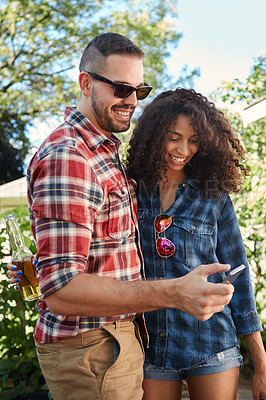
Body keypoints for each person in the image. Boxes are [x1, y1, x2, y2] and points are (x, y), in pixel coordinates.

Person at [6, 33, 234, 400]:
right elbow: (63, 289)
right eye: (120, 88)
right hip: (93, 349)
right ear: (85, 83)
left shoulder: (103, 151)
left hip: (110, 346)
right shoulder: (70, 156)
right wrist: (175, 292)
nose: (130, 100)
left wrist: (42, 266)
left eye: (138, 91)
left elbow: (87, 255)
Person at [125, 88, 266, 400]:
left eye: (193, 140)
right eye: (173, 137)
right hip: (152, 345)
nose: (183, 149)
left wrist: (261, 361)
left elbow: (238, 276)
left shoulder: (213, 196)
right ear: (154, 134)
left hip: (211, 344)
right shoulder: (130, 191)